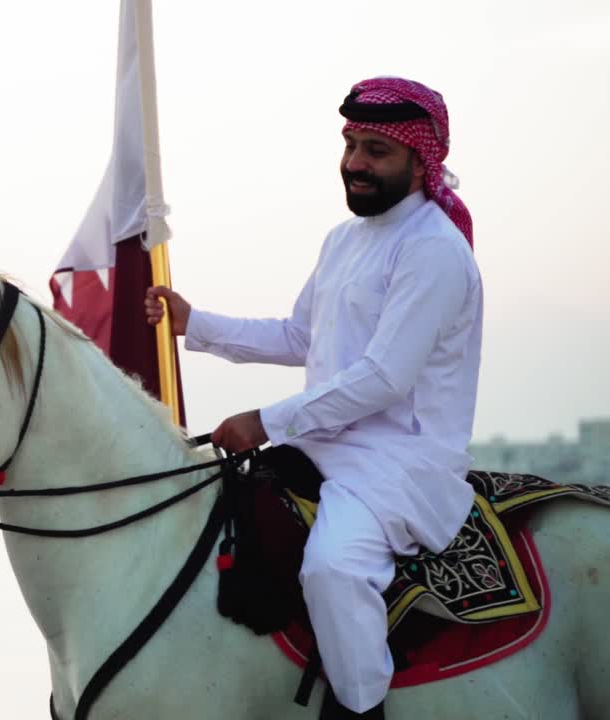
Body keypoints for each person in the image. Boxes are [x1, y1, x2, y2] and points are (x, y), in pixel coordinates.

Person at [145, 77, 482, 719]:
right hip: (323, 446)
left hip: (397, 465)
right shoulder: (343, 240)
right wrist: (197, 323)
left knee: (333, 570)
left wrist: (265, 420)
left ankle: (360, 710)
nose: (355, 162)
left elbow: (385, 377)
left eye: (376, 149)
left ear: (421, 159)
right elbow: (303, 336)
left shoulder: (434, 250)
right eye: (351, 143)